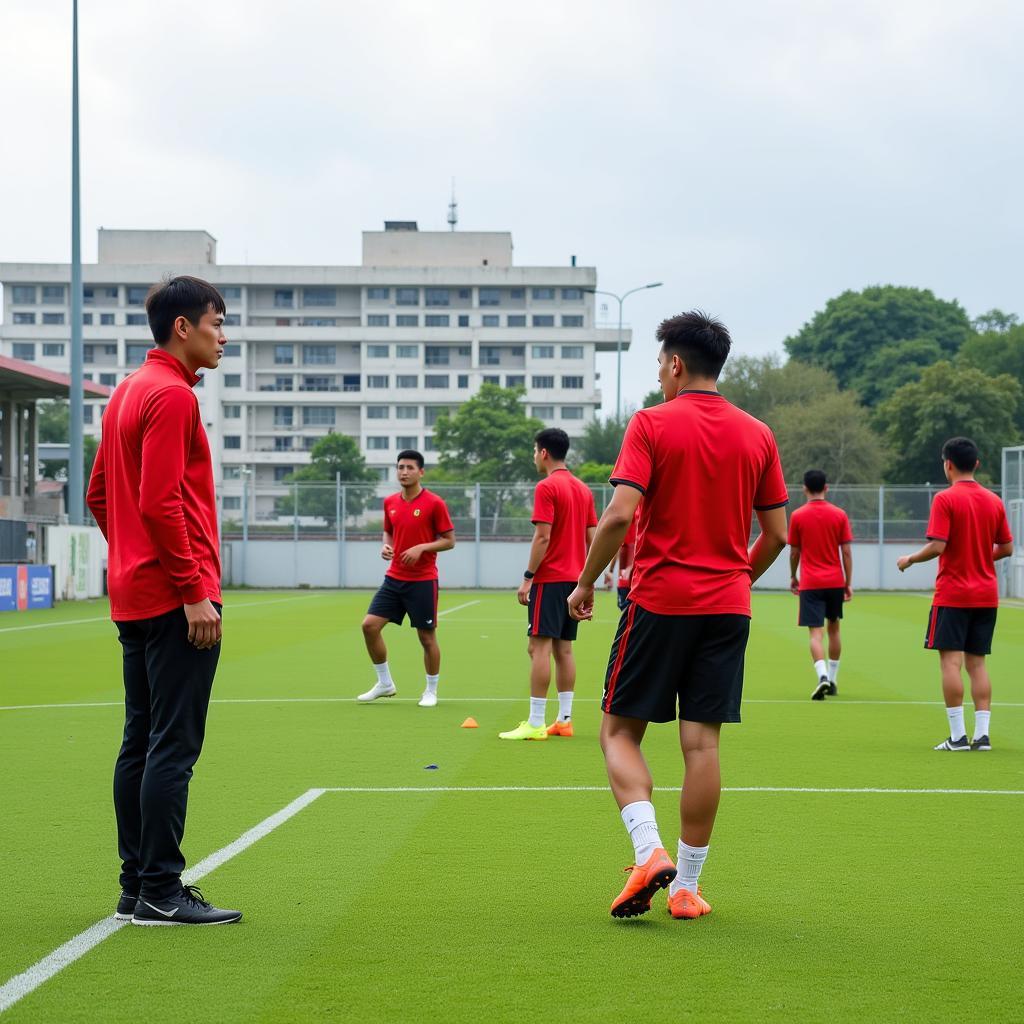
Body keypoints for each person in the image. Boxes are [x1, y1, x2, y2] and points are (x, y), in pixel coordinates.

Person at [568, 310, 789, 921]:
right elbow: (776, 533)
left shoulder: (651, 424)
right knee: (701, 744)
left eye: (659, 366)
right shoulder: (758, 433)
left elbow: (616, 516)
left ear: (674, 364)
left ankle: (648, 852)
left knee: (618, 731)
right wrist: (738, 577)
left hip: (660, 601)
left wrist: (585, 584)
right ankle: (687, 887)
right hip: (727, 608)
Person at [86, 275, 241, 926]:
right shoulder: (172, 396)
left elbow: (100, 495)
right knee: (173, 746)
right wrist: (190, 589)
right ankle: (160, 888)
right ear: (184, 328)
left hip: (133, 593)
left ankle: (135, 884)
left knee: (141, 742)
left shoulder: (126, 391)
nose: (223, 335)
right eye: (216, 322)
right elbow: (158, 500)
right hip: (178, 599)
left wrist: (130, 560)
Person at [897, 437, 1013, 751]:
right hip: (986, 596)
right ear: (976, 464)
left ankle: (958, 736)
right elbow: (1006, 548)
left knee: (951, 663)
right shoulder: (994, 500)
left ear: (947, 463)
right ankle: (983, 735)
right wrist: (978, 556)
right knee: (978, 664)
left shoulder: (945, 499)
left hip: (953, 595)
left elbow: (938, 546)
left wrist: (909, 560)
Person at [500, 428, 597, 740]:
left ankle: (536, 722)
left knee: (538, 647)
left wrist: (527, 578)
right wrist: (589, 580)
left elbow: (542, 536)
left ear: (543, 453)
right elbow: (593, 539)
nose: (534, 456)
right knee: (563, 650)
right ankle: (564, 720)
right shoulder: (583, 489)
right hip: (574, 581)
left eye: (534, 450)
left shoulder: (547, 487)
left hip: (551, 579)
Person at [357, 450, 455, 707]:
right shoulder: (390, 502)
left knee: (426, 637)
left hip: (423, 580)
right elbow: (388, 532)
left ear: (421, 472)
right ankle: (385, 683)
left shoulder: (435, 503)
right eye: (400, 467)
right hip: (394, 579)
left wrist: (422, 547)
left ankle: (431, 691)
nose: (404, 472)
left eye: (410, 467)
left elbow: (449, 541)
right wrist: (385, 546)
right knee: (369, 626)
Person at [788, 469, 853, 700]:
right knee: (834, 629)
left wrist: (793, 576)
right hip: (835, 581)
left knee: (816, 634)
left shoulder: (797, 516)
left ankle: (822, 676)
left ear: (804, 488)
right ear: (826, 487)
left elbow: (794, 552)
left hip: (811, 583)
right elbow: (846, 551)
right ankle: (833, 680)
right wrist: (848, 582)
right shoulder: (839, 515)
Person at [604, 505, 640, 611]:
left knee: (628, 614)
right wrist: (610, 571)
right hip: (628, 576)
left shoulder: (632, 510)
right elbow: (619, 546)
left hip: (633, 576)